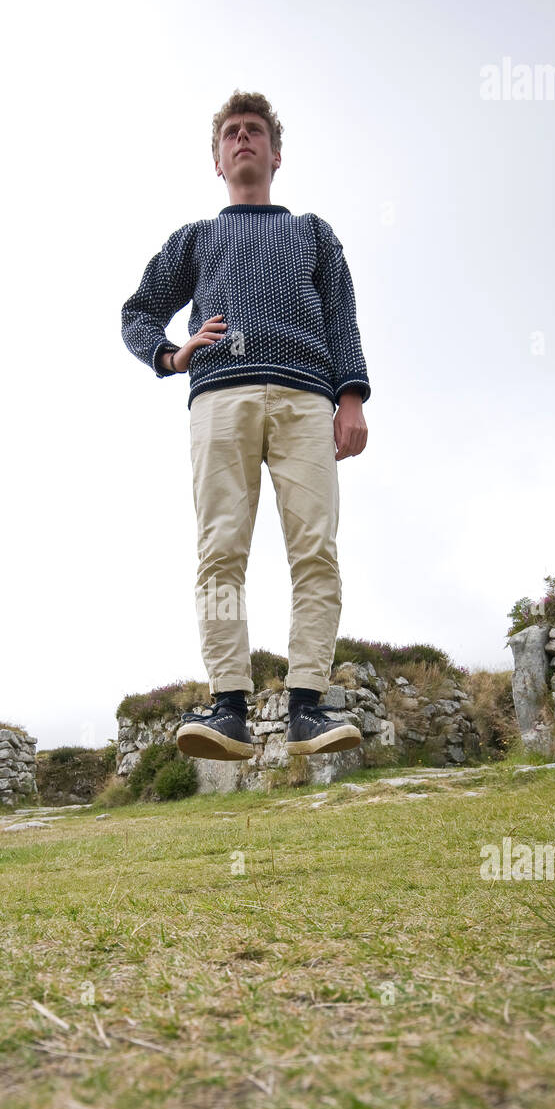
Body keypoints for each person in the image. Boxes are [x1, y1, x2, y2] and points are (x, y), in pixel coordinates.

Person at [120, 90, 370, 762]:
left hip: (306, 400)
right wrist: (171, 354)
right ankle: (227, 708)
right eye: (230, 133)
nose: (242, 140)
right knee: (220, 552)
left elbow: (341, 319)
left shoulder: (312, 232)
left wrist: (351, 398)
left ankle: (307, 708)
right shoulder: (195, 239)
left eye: (254, 131)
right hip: (219, 401)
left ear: (275, 153)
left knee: (314, 550)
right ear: (217, 159)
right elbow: (138, 312)